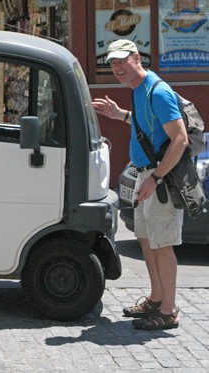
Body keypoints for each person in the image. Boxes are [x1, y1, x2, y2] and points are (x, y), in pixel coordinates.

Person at [92, 39, 188, 330]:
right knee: (147, 241)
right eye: (113, 63)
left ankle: (169, 311)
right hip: (145, 176)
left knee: (162, 245)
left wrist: (156, 178)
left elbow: (180, 139)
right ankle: (156, 298)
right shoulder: (138, 90)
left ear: (137, 57)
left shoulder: (157, 91)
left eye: (122, 60)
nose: (118, 67)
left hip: (160, 179)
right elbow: (149, 126)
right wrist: (120, 115)